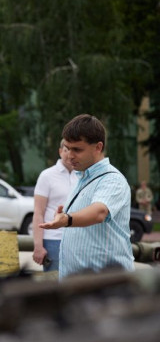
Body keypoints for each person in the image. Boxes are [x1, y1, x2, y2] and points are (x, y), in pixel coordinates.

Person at [39, 114, 134, 279]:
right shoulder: (82, 178)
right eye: (67, 148)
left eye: (77, 149)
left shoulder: (112, 179)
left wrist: (67, 220)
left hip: (104, 287)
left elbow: (99, 213)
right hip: (81, 287)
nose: (69, 155)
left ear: (98, 147)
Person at [32, 141, 78, 272]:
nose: (69, 154)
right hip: (53, 240)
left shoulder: (82, 175)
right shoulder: (47, 176)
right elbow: (38, 212)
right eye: (66, 150)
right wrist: (38, 246)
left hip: (78, 239)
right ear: (60, 152)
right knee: (54, 286)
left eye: (74, 150)